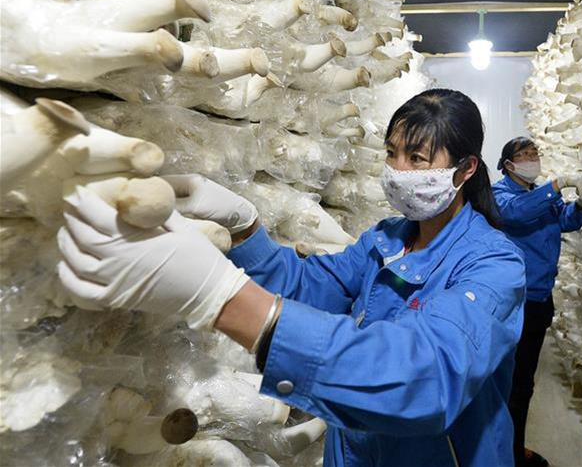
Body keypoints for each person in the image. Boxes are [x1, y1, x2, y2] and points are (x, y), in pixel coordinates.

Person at [57, 89, 527, 467]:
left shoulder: (493, 265)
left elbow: (425, 377)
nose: (398, 172)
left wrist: (226, 301)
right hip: (356, 451)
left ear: (465, 169)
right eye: (391, 154)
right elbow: (313, 285)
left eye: (418, 160)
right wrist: (245, 226)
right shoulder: (387, 238)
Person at [492, 137, 582, 467]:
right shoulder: (502, 194)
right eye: (525, 155)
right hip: (513, 303)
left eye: (535, 153)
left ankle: (512, 449)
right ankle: (504, 453)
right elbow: (516, 215)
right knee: (510, 381)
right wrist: (557, 184)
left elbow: (566, 221)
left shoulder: (541, 197)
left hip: (539, 299)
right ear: (508, 164)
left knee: (523, 381)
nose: (533, 158)